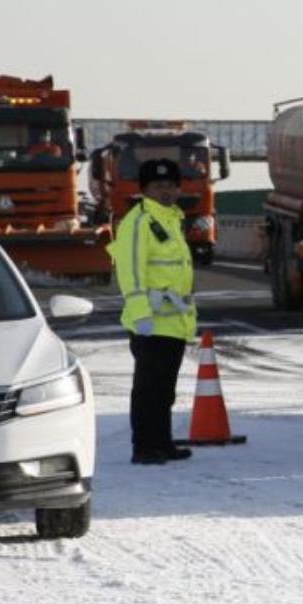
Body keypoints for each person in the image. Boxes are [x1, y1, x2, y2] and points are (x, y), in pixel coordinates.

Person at [107, 157, 198, 465]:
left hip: (172, 322)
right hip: (150, 322)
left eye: (171, 185)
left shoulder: (172, 219)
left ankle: (162, 442)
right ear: (144, 189)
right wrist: (141, 313)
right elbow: (130, 272)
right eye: (158, 186)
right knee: (148, 390)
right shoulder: (139, 222)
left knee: (164, 390)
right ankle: (144, 447)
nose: (166, 192)